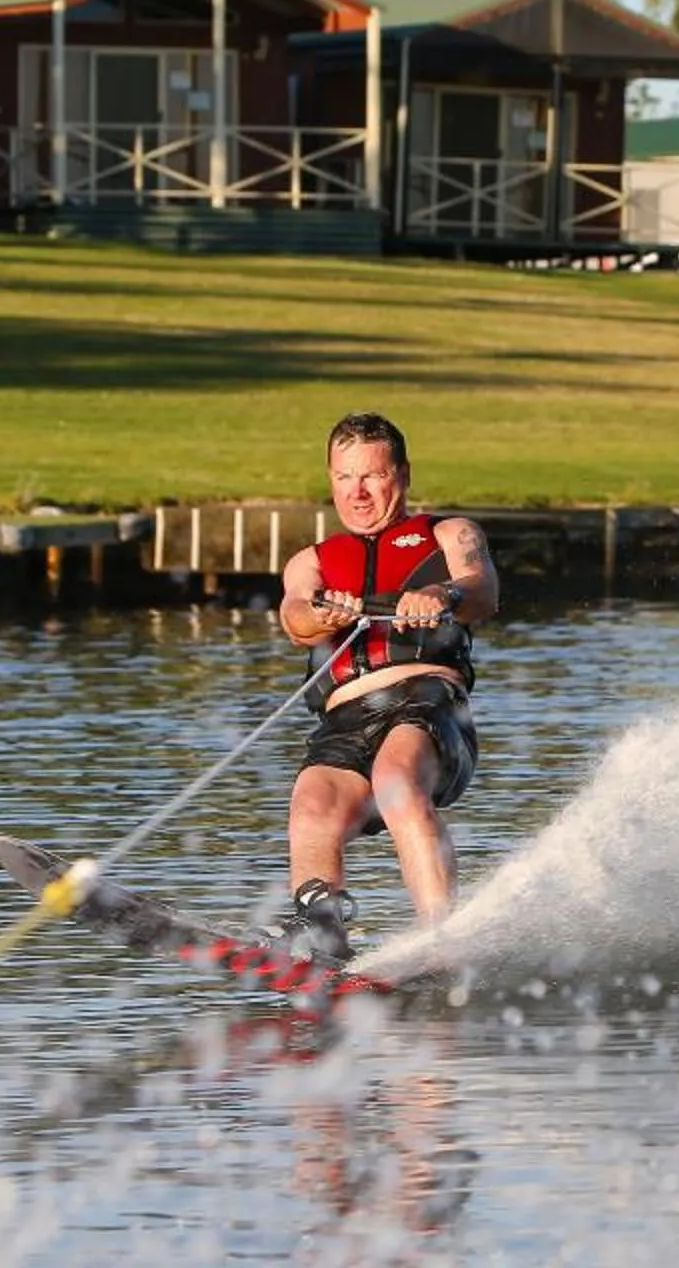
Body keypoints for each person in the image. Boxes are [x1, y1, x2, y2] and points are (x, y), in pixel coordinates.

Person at [270, 411, 498, 962]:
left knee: (396, 778)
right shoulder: (314, 562)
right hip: (346, 718)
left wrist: (441, 595)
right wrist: (324, 616)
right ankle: (323, 938)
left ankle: (442, 940)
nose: (359, 492)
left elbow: (482, 590)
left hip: (428, 708)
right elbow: (295, 616)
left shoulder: (450, 535)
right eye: (345, 477)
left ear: (403, 474)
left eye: (373, 476)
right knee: (311, 805)